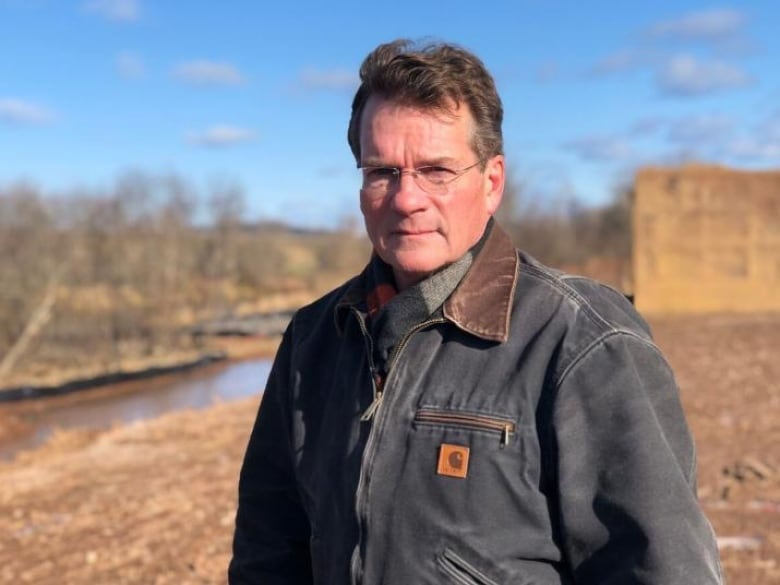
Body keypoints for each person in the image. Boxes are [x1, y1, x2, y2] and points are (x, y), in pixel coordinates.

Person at [229, 39, 723, 584]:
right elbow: (267, 549)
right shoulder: (315, 337)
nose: (406, 198)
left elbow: (660, 568)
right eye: (381, 171)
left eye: (437, 170)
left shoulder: (581, 341)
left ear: (491, 183)